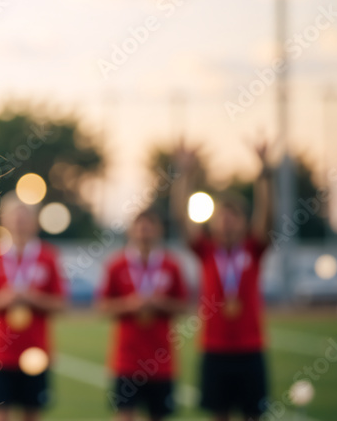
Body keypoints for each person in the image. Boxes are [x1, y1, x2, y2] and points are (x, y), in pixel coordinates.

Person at [171, 143, 273, 421]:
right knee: (219, 415)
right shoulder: (206, 250)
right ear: (213, 223)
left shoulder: (253, 248)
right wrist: (185, 175)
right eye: (222, 218)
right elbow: (181, 216)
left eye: (233, 217)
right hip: (214, 348)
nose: (227, 223)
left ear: (243, 222)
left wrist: (264, 174)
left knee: (254, 414)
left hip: (250, 347)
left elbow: (268, 216)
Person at [0, 193, 67, 421]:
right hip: (0, 354)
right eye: (14, 216)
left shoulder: (48, 257)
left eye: (24, 217)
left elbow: (61, 304)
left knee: (32, 412)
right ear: (4, 219)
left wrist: (32, 298)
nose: (19, 222)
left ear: (34, 221)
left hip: (36, 351)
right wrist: (4, 299)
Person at [97, 209, 188, 421]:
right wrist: (130, 305)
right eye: (140, 228)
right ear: (131, 232)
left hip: (161, 360)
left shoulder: (171, 265)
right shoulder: (116, 265)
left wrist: (160, 304)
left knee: (159, 415)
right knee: (124, 414)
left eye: (149, 228)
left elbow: (184, 306)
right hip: (126, 360)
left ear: (159, 231)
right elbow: (102, 307)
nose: (144, 233)